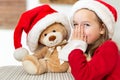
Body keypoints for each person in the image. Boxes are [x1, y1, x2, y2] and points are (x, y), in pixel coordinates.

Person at [58, 0, 120, 80]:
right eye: (75, 24)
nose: (79, 30)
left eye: (86, 25)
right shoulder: (87, 47)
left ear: (102, 28)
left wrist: (77, 47)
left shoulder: (109, 47)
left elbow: (84, 76)